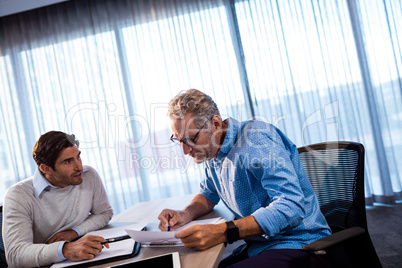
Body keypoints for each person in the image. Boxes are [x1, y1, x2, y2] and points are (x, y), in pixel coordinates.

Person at [158, 89, 332, 267]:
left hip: (302, 245)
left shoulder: (256, 139)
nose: (185, 150)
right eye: (179, 140)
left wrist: (223, 232)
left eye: (191, 139)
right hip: (262, 246)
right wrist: (185, 214)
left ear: (216, 123)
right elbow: (209, 193)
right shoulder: (212, 150)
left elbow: (291, 205)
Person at [3, 131, 114, 267]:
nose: (79, 167)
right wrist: (65, 249)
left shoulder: (88, 175)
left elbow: (104, 213)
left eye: (78, 157)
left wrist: (74, 232)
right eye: (68, 161)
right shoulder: (18, 195)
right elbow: (16, 255)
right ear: (46, 169)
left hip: (80, 259)